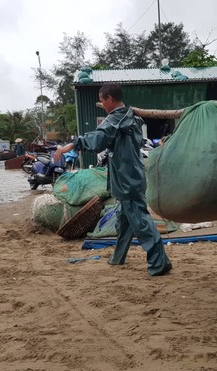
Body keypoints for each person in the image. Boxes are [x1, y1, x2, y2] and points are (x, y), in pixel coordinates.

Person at [54, 84, 172, 276]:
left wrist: (73, 144)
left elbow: (98, 139)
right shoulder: (131, 117)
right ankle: (118, 257)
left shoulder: (116, 119)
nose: (102, 104)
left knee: (140, 222)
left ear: (109, 99)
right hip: (130, 175)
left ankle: (160, 262)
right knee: (124, 221)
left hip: (127, 180)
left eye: (102, 100)